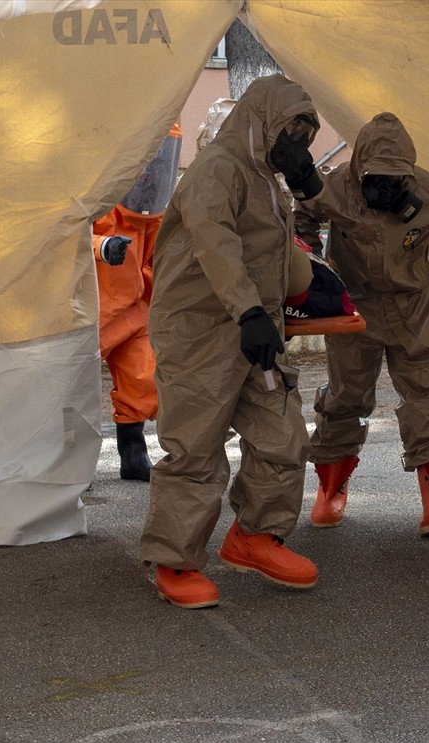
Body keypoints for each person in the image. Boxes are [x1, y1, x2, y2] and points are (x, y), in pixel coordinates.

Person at [139, 74, 326, 609]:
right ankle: (175, 559)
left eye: (305, 132)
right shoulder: (218, 169)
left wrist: (310, 186)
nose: (298, 141)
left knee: (282, 435)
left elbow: (278, 253)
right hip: (200, 329)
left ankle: (255, 537)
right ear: (263, 120)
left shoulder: (268, 178)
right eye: (291, 128)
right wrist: (248, 311)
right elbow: (214, 242)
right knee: (194, 446)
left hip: (254, 329)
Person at [294, 112, 429, 536]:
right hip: (353, 308)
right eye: (376, 178)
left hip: (412, 305)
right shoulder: (335, 188)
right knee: (345, 397)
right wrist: (311, 265)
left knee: (425, 392)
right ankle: (330, 490)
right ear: (359, 169)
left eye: (395, 180)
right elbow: (303, 216)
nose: (385, 189)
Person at [90, 123, 183, 482]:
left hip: (134, 310)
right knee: (68, 398)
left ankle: (133, 453)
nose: (153, 169)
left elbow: (160, 258)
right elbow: (72, 236)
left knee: (143, 379)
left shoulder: (152, 213)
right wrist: (101, 246)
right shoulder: (99, 198)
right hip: (88, 316)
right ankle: (63, 467)